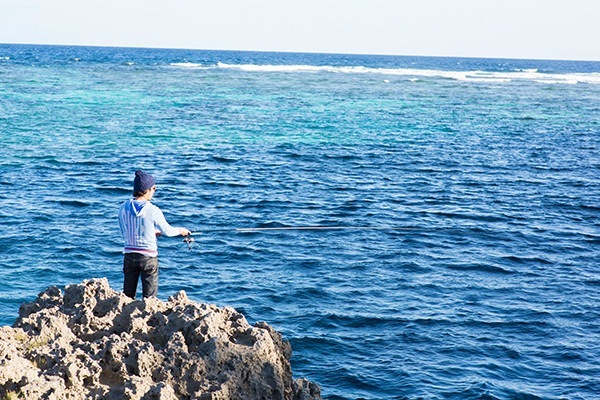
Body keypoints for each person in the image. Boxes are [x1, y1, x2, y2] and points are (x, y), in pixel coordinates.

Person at [118, 170, 191, 299]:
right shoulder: (153, 210)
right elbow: (168, 231)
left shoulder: (123, 207)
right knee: (150, 298)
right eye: (154, 189)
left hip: (129, 255)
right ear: (150, 189)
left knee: (128, 295)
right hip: (148, 258)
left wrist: (150, 232)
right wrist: (181, 231)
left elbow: (125, 232)